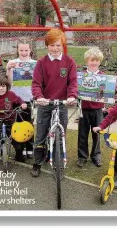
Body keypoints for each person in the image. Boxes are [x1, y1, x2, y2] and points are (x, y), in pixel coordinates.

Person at [31, 29, 78, 177]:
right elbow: (36, 84)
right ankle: (37, 162)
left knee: (61, 134)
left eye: (58, 45)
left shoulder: (69, 62)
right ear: (47, 46)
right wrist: (39, 97)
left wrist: (71, 96)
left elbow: (73, 83)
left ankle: (59, 163)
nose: (55, 49)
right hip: (45, 103)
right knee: (40, 133)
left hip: (62, 103)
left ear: (63, 45)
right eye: (52, 45)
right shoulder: (41, 63)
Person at [6, 37, 37, 160]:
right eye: (21, 50)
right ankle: (20, 150)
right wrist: (8, 69)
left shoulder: (35, 64)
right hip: (16, 99)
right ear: (17, 50)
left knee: (29, 125)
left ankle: (30, 148)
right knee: (17, 125)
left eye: (26, 50)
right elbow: (9, 82)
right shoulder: (13, 62)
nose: (24, 53)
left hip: (30, 98)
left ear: (30, 50)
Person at [77, 48, 105, 168]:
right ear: (87, 61)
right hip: (83, 108)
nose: (94, 63)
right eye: (91, 60)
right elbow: (74, 88)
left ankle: (96, 155)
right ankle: (82, 156)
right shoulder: (81, 76)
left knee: (97, 134)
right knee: (82, 134)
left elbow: (106, 92)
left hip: (97, 110)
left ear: (100, 61)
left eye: (96, 60)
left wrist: (115, 86)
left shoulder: (104, 76)